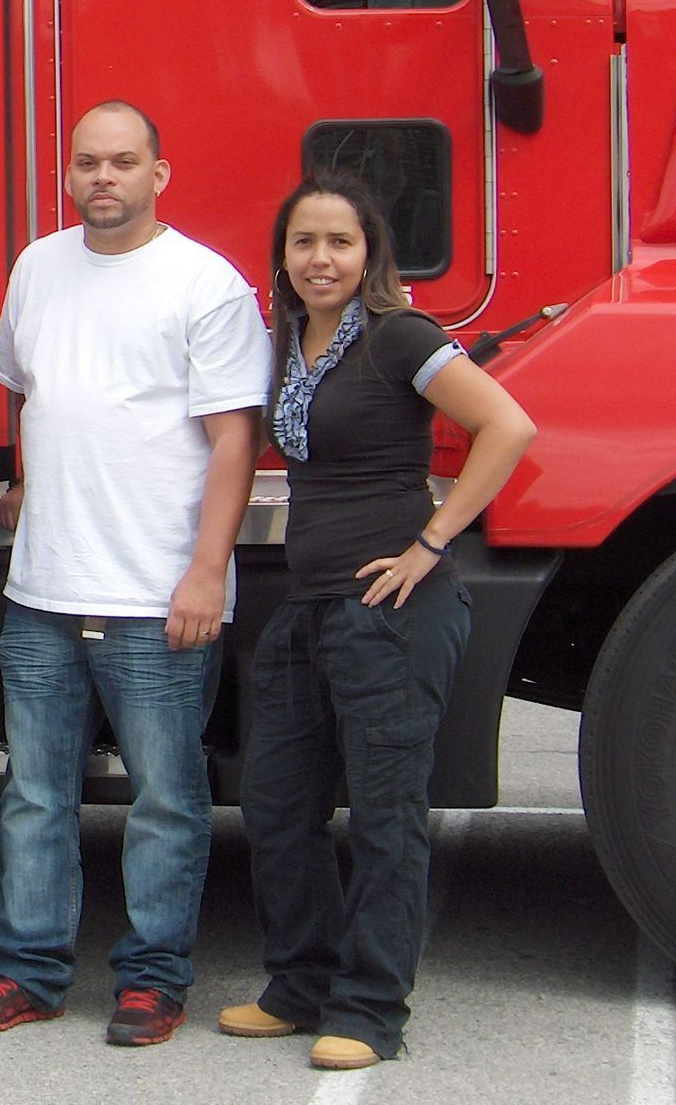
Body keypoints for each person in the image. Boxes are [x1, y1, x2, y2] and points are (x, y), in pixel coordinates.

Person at [0, 101, 267, 1048]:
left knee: (166, 802)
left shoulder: (205, 283)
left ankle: (152, 981)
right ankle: (29, 972)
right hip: (43, 593)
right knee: (35, 796)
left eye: (124, 162)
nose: (104, 178)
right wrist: (27, 479)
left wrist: (207, 572)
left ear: (159, 174)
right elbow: (31, 389)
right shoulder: (38, 268)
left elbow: (233, 441)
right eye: (88, 162)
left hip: (154, 599)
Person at [220, 171, 535, 1071]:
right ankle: (298, 986)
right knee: (278, 804)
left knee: (387, 817)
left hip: (390, 610)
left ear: (370, 256)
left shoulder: (402, 338)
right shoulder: (291, 340)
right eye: (303, 243)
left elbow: (507, 426)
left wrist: (431, 542)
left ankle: (369, 1010)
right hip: (309, 607)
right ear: (283, 258)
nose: (321, 259)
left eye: (340, 242)